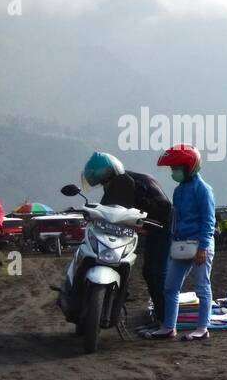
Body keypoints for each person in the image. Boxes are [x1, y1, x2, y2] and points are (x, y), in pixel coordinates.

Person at [84, 151, 172, 320]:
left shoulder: (127, 182)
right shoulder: (122, 182)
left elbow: (164, 207)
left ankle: (165, 319)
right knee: (149, 272)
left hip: (163, 227)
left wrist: (142, 219)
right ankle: (162, 316)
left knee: (156, 272)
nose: (105, 185)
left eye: (105, 181)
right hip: (154, 227)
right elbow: (108, 210)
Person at [141, 144, 215, 341]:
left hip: (200, 244)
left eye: (177, 168)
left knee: (202, 287)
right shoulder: (179, 191)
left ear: (189, 166)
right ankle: (168, 327)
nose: (174, 172)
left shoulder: (203, 190)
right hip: (181, 243)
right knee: (170, 286)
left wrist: (203, 247)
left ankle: (202, 328)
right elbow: (176, 218)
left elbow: (209, 220)